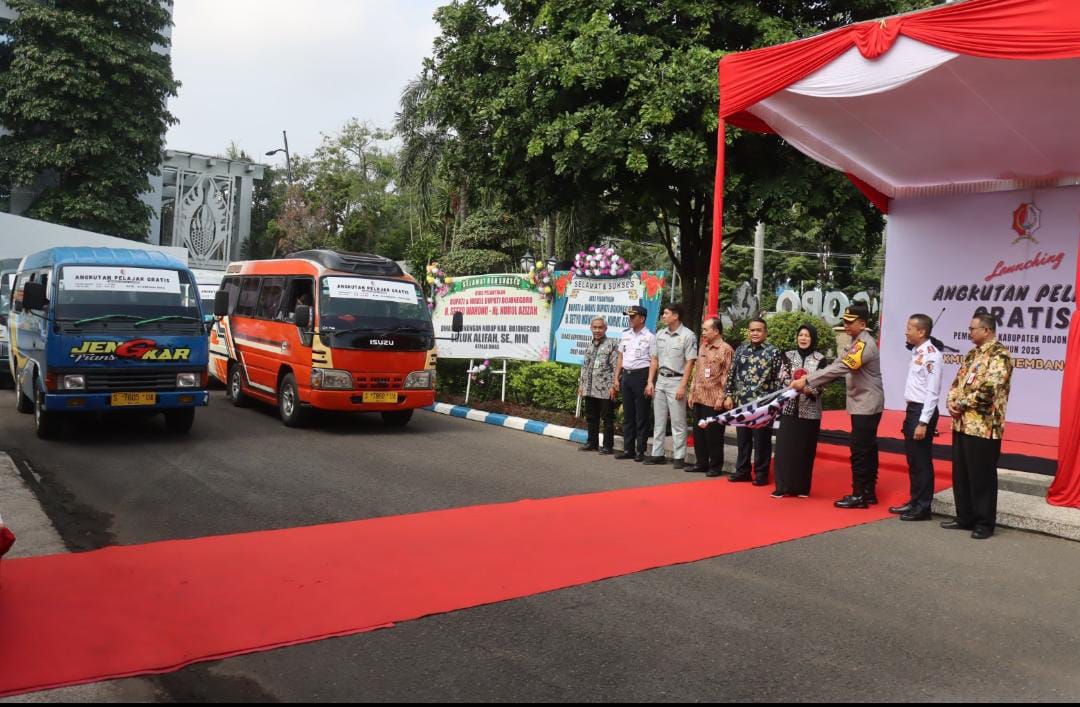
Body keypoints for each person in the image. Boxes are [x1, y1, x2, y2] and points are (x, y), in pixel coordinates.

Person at [792, 304, 884, 508]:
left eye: (850, 322)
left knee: (860, 450)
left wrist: (807, 380)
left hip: (867, 404)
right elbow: (836, 365)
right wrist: (811, 381)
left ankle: (859, 494)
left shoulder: (864, 344)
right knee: (867, 448)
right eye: (845, 321)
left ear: (863, 324)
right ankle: (868, 491)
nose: (846, 325)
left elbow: (841, 368)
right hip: (863, 403)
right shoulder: (855, 342)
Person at [942, 312, 1013, 540]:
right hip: (962, 424)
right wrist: (951, 402)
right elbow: (957, 382)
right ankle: (965, 517)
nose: (969, 332)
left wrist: (961, 404)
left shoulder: (1000, 354)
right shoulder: (973, 354)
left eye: (973, 329)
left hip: (984, 427)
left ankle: (984, 523)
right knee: (961, 474)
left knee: (982, 476)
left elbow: (989, 390)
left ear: (987, 330)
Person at [889, 314, 943, 521]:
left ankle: (923, 507)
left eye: (910, 328)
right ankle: (914, 501)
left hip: (922, 411)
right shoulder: (917, 351)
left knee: (921, 461)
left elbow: (932, 392)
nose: (906, 332)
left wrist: (923, 421)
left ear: (921, 332)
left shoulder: (932, 355)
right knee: (913, 459)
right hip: (913, 409)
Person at [725, 318, 784, 485]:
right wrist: (728, 395)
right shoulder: (741, 349)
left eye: (759, 330)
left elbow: (778, 379)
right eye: (752, 330)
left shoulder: (773, 352)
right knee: (743, 439)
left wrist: (775, 404)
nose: (755, 333)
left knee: (761, 441)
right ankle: (742, 471)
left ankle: (761, 473)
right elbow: (732, 374)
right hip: (742, 403)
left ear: (765, 332)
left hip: (762, 405)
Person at [772, 324, 827, 498]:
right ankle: (782, 486)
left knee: (805, 450)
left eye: (807, 335)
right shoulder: (788, 355)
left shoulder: (820, 359)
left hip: (810, 411)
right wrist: (793, 386)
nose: (803, 338)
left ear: (813, 338)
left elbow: (822, 383)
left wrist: (806, 389)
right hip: (788, 409)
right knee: (784, 449)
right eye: (801, 335)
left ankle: (802, 487)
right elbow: (782, 377)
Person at [644, 303, 697, 469]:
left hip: (676, 381)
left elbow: (690, 363)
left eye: (666, 313)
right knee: (659, 420)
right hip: (661, 380)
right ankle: (657, 454)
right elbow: (654, 359)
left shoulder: (688, 335)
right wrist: (650, 381)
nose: (663, 316)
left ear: (676, 316)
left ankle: (679, 457)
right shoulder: (660, 334)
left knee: (678, 421)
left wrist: (682, 386)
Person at [687, 317, 734, 477]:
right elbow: (697, 373)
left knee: (713, 435)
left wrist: (722, 398)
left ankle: (715, 466)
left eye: (706, 329)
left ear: (716, 331)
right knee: (699, 433)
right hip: (699, 396)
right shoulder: (703, 347)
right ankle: (701, 463)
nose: (703, 332)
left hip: (714, 399)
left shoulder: (726, 349)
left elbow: (727, 376)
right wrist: (691, 392)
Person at [613, 305, 656, 463]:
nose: (630, 319)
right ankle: (628, 449)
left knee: (641, 416)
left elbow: (654, 360)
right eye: (629, 316)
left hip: (641, 376)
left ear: (642, 318)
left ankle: (640, 450)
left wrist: (650, 382)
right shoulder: (625, 334)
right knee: (628, 415)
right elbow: (620, 357)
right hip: (627, 376)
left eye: (633, 316)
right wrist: (616, 378)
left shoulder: (650, 337)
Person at [578, 317, 619, 455]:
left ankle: (607, 446)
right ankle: (592, 443)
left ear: (605, 329)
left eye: (600, 327)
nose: (597, 330)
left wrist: (613, 386)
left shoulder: (612, 344)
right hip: (589, 388)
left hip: (605, 389)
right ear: (591, 328)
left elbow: (616, 368)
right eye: (594, 327)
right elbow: (585, 367)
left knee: (607, 418)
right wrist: (582, 385)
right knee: (591, 417)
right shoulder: (589, 345)